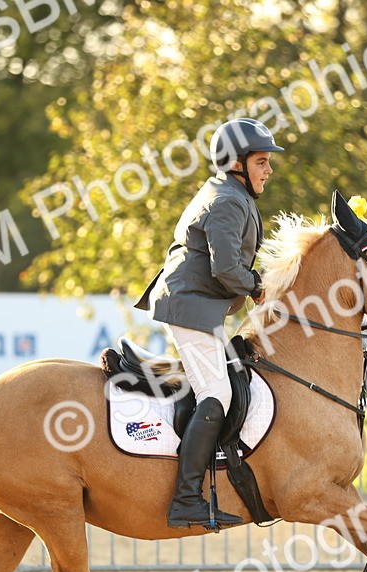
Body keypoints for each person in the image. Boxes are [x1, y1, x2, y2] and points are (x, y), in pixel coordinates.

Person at [133, 118, 283, 528]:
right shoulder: (229, 200)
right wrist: (258, 287)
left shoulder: (229, 192)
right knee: (217, 392)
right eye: (262, 161)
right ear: (237, 163)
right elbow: (227, 267)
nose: (268, 170)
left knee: (218, 385)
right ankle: (185, 500)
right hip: (190, 304)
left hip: (195, 304)